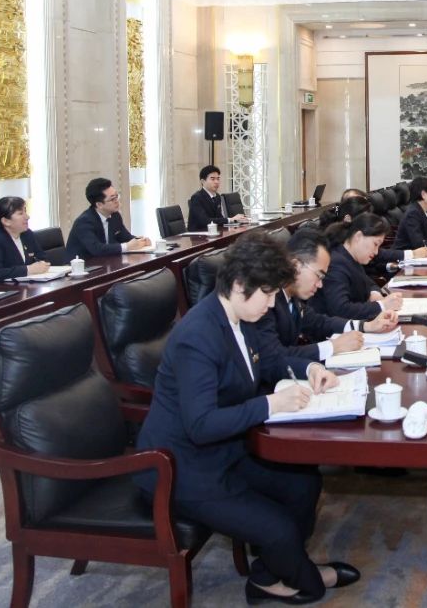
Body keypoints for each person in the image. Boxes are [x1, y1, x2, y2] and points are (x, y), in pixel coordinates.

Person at [134, 233, 359, 604]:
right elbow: (201, 426)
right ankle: (301, 575)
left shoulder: (243, 317)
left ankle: (270, 574)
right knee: (280, 530)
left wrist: (311, 368)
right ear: (239, 285)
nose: (271, 305)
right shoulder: (198, 336)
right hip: (181, 468)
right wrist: (272, 404)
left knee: (303, 484)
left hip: (227, 449)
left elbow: (269, 361)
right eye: (267, 295)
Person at [269, 230, 400, 360]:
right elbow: (274, 356)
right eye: (319, 275)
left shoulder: (292, 296)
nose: (320, 285)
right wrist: (333, 346)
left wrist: (367, 326)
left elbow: (319, 322)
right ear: (296, 266)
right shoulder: (269, 300)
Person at [318, 214, 403, 320]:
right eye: (375, 244)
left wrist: (374, 292)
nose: (376, 252)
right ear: (358, 236)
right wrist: (382, 305)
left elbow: (368, 282)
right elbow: (341, 310)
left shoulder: (351, 257)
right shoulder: (335, 263)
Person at [65, 177, 151, 259]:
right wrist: (127, 246)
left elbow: (125, 237)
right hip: (82, 266)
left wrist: (140, 241)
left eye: (117, 196)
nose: (117, 201)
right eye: (112, 199)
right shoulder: (84, 222)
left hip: (105, 263)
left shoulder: (115, 215)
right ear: (99, 204)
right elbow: (96, 249)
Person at [0, 196, 50, 285]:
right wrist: (28, 269)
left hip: (21, 287)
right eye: (20, 213)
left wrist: (41, 264)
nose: (27, 217)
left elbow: (42, 258)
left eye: (25, 212)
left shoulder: (27, 234)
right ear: (6, 221)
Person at [188, 165, 249, 231]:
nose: (216, 182)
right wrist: (231, 219)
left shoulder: (217, 197)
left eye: (218, 179)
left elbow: (219, 218)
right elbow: (204, 221)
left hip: (214, 231)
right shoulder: (197, 197)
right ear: (203, 181)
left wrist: (236, 221)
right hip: (199, 234)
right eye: (212, 179)